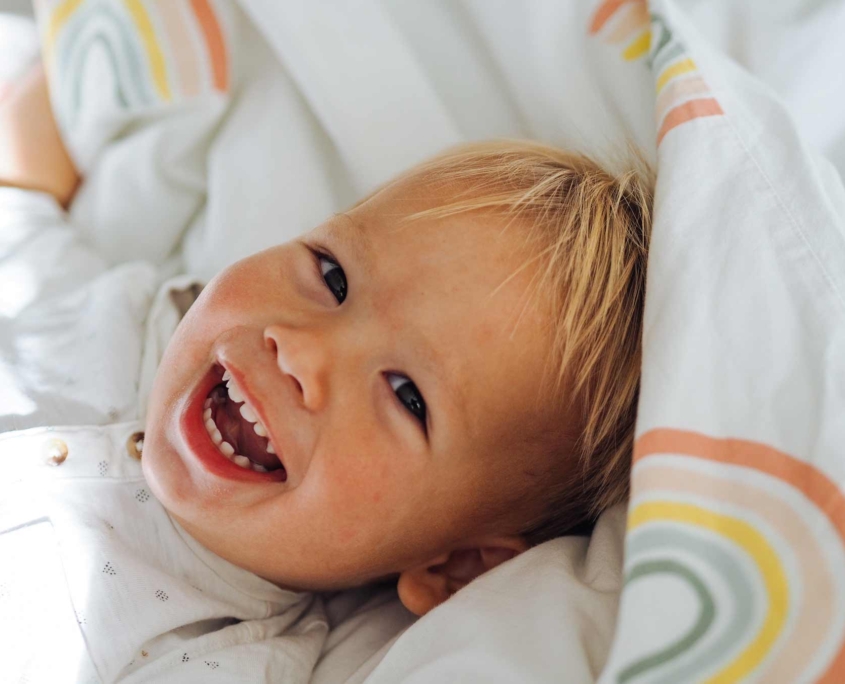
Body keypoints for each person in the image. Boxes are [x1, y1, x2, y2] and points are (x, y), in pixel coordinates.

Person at [0, 62, 652, 682]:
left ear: (456, 565)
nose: (301, 351)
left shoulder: (211, 657)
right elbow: (19, 193)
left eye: (406, 396)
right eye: (332, 276)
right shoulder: (128, 315)